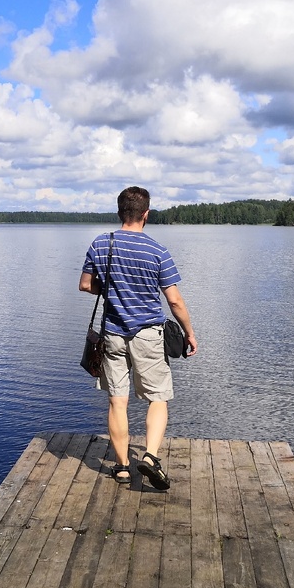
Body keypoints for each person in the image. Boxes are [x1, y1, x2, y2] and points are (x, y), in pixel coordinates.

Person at [79, 186, 197, 490]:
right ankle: (150, 457)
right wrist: (189, 333)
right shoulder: (157, 251)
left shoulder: (101, 244)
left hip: (113, 335)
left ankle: (121, 468)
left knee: (117, 401)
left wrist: (111, 289)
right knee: (158, 397)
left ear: (120, 213)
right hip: (148, 336)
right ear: (146, 214)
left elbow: (85, 285)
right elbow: (174, 301)